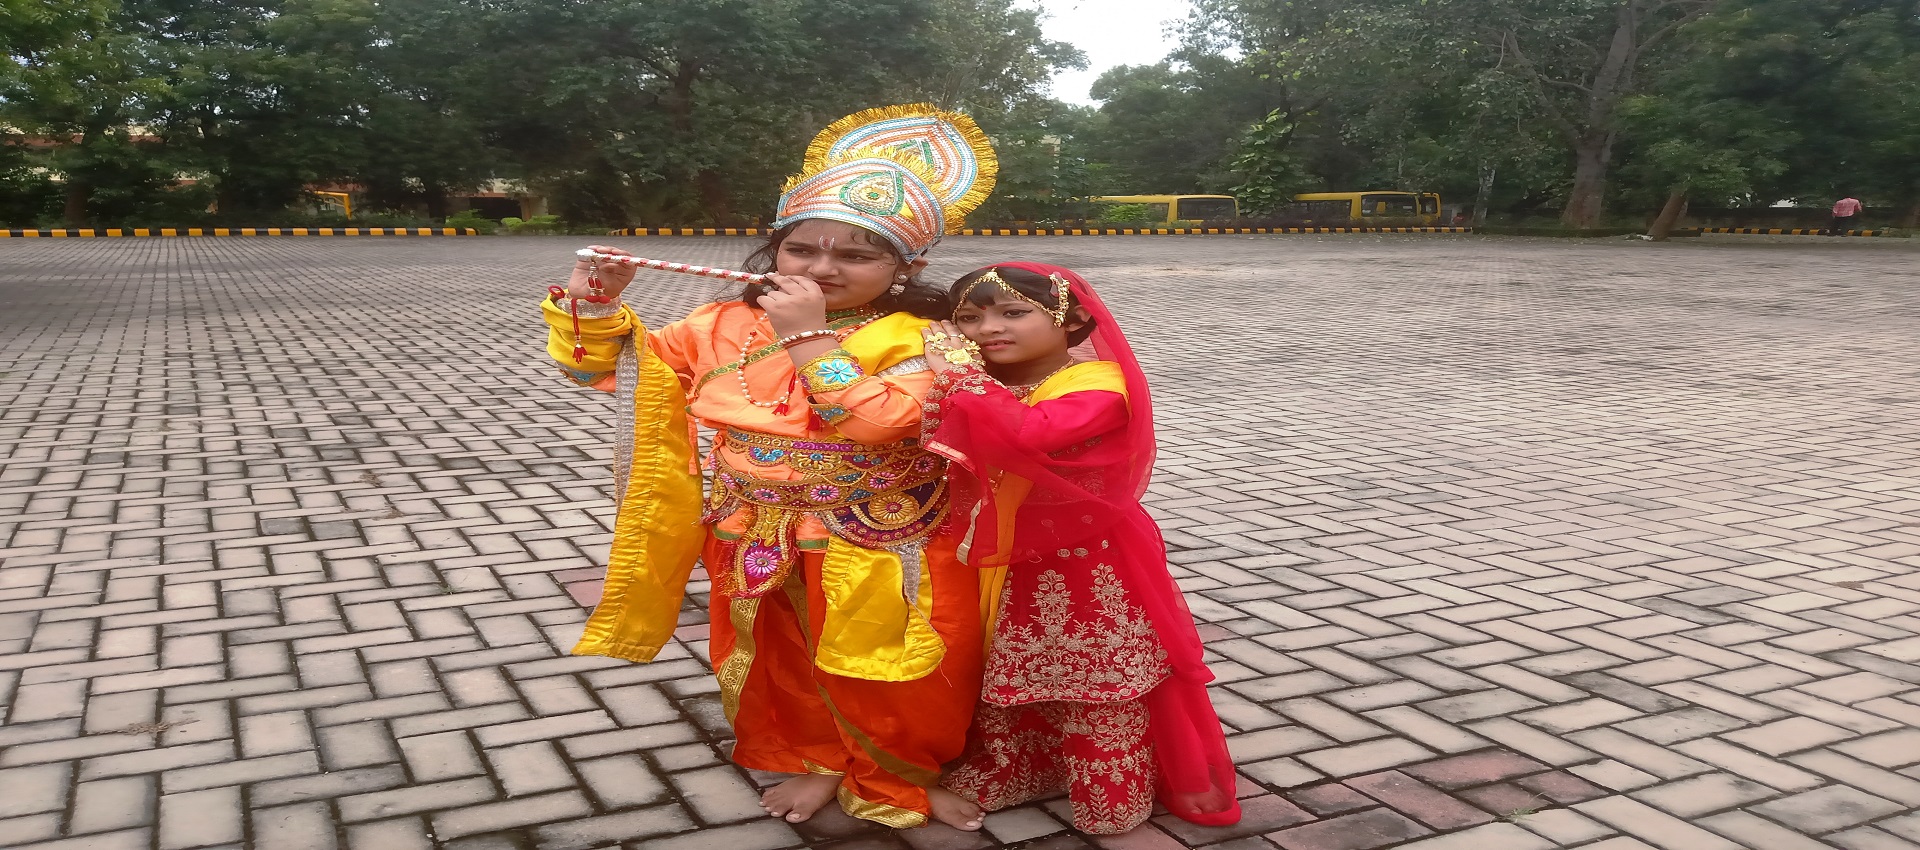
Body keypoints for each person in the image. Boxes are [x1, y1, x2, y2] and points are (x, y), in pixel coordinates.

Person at [541, 105, 1000, 829]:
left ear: (905, 268)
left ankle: (900, 772)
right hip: (751, 526)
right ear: (773, 252)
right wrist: (594, 301)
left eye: (856, 257)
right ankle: (817, 760)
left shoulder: (930, 336)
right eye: (801, 250)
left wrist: (807, 337)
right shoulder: (720, 324)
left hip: (883, 534)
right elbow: (613, 372)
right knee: (780, 656)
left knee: (893, 660)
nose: (822, 268)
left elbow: (884, 420)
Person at [916, 263, 1243, 834]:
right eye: (969, 318)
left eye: (1013, 313)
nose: (988, 329)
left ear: (1071, 321)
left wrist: (960, 375)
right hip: (1000, 554)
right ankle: (1022, 767)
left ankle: (1110, 787)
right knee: (1006, 658)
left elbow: (1031, 433)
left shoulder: (1099, 386)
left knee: (1093, 669)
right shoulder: (976, 379)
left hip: (1089, 559)